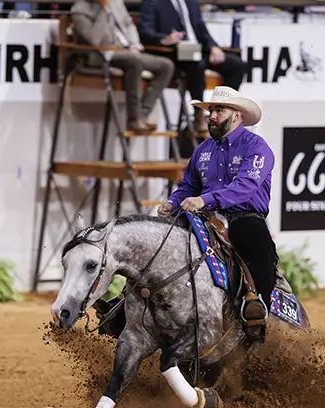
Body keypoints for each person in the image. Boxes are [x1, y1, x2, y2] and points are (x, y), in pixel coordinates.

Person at [158, 86, 277, 335]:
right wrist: (173, 201)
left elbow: (245, 186)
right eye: (211, 110)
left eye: (219, 110)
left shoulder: (256, 147)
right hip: (205, 216)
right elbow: (188, 186)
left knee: (257, 245)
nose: (212, 116)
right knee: (161, 243)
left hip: (243, 216)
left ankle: (257, 308)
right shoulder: (203, 151)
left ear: (237, 115)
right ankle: (132, 301)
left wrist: (205, 200)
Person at [136, 0, 246, 132]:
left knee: (237, 65)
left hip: (198, 50)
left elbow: (201, 29)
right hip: (172, 53)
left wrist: (213, 47)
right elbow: (146, 32)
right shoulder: (153, 2)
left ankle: (222, 113)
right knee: (196, 65)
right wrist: (165, 39)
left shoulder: (190, 2)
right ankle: (199, 114)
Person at [70, 0, 175, 134]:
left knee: (166, 66)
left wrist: (135, 45)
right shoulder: (79, 10)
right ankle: (134, 118)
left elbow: (128, 24)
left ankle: (142, 114)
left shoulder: (116, 2)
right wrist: (103, 10)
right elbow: (94, 40)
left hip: (128, 51)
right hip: (103, 54)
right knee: (134, 62)